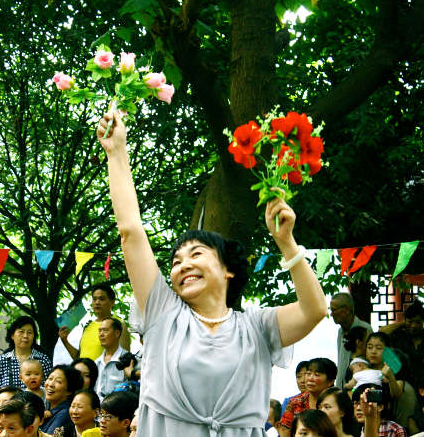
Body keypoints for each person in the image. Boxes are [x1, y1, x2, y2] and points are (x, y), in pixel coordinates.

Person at [97, 111, 327, 435]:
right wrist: (116, 152)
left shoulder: (257, 327)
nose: (182, 265)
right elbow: (131, 231)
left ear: (227, 271)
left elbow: (314, 310)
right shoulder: (163, 313)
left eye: (197, 254)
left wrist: (286, 243)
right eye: (176, 261)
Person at [0, 316, 53, 404]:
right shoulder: (2, 360)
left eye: (29, 332)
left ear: (34, 336)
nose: (25, 336)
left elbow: (50, 388)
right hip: (8, 413)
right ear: (12, 335)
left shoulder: (43, 360)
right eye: (21, 331)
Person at [379, 300, 424, 388]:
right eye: (410, 321)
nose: (413, 325)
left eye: (418, 322)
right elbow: (382, 332)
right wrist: (401, 324)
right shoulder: (398, 337)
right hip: (403, 385)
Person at [59, 286, 132, 361]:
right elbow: (78, 357)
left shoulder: (120, 325)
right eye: (94, 299)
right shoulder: (88, 326)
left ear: (112, 302)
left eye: (101, 299)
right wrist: (65, 341)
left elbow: (125, 359)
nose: (97, 302)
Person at [279, 358, 337, 437]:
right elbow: (285, 431)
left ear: (330, 381)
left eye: (316, 375)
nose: (310, 378)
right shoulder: (295, 402)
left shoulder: (338, 402)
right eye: (308, 373)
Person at [331, 293, 372, 389]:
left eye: (334, 310)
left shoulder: (365, 330)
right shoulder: (340, 331)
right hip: (342, 389)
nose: (331, 314)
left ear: (345, 310)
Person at [41, 365, 84, 435]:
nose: (51, 384)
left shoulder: (65, 413)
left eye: (58, 381)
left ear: (69, 390)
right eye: (50, 378)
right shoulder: (47, 406)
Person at [95, 318, 128, 401]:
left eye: (105, 330)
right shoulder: (97, 362)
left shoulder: (127, 360)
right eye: (100, 331)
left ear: (117, 333)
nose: (101, 334)